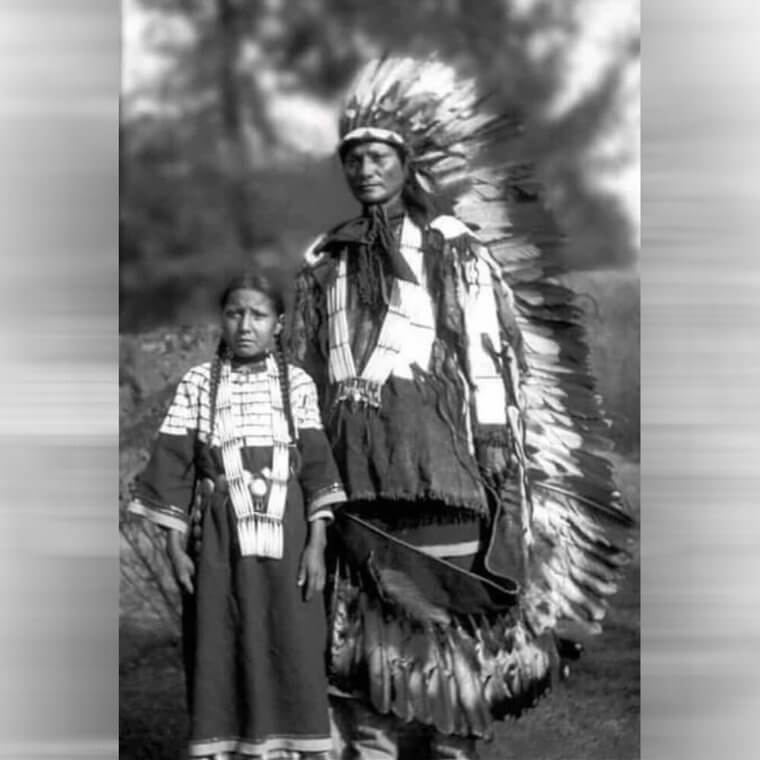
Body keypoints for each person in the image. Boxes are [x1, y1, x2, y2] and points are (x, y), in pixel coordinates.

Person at [286, 57, 634, 760]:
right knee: (363, 630)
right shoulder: (325, 258)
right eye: (352, 158)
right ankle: (378, 745)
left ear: (406, 162)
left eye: (378, 155)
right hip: (355, 474)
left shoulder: (454, 250)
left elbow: (484, 350)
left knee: (448, 617)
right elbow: (306, 364)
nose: (364, 169)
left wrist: (496, 437)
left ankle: (449, 748)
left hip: (441, 468)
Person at [128, 269, 347, 760]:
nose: (246, 325)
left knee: (292, 641)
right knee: (220, 642)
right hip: (218, 546)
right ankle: (227, 747)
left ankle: (295, 748)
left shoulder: (299, 387)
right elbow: (172, 469)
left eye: (259, 315)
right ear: (222, 322)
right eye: (234, 313)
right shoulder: (198, 384)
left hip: (289, 543)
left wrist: (316, 546)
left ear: (279, 324)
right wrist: (174, 549)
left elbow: (315, 468)